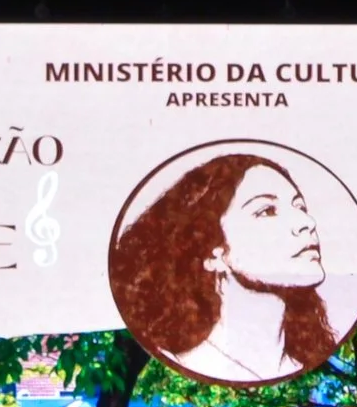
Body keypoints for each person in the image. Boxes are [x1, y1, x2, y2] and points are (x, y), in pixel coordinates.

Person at [110, 157, 337, 385]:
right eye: (267, 211)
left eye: (300, 207)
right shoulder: (191, 364)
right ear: (213, 252)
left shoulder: (304, 364)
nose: (306, 221)